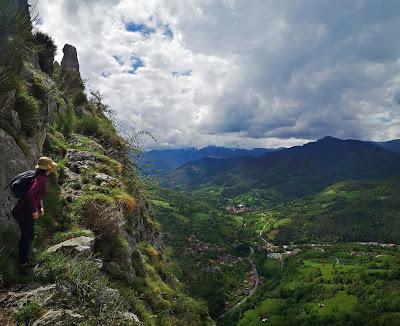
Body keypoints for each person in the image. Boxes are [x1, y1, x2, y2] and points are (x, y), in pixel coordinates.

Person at [12, 156, 57, 269]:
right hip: (24, 212)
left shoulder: (37, 175)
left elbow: (37, 196)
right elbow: (30, 195)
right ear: (49, 168)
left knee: (27, 236)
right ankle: (23, 264)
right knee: (28, 236)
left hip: (21, 210)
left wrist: (40, 207)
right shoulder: (42, 179)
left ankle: (24, 260)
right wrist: (33, 211)